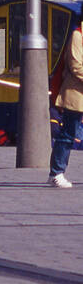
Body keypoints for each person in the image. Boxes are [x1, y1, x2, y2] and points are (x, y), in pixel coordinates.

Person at [47, 16, 83, 188]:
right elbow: (76, 65)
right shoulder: (78, 35)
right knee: (68, 134)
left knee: (69, 132)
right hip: (76, 94)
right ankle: (56, 173)